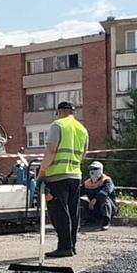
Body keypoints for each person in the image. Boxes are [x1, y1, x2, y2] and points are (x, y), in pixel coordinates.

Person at [38, 101, 89, 258]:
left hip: (57, 176)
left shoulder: (57, 125)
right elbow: (84, 154)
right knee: (73, 212)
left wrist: (42, 172)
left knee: (59, 212)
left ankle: (64, 247)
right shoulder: (82, 129)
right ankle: (71, 245)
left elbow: (51, 150)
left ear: (59, 112)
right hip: (75, 175)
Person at [80, 161, 117, 230]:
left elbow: (106, 191)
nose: (92, 171)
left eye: (95, 169)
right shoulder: (87, 183)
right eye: (91, 169)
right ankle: (88, 220)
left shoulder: (107, 180)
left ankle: (106, 222)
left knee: (104, 198)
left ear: (100, 170)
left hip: (109, 209)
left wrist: (95, 199)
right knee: (79, 201)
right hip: (94, 208)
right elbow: (78, 193)